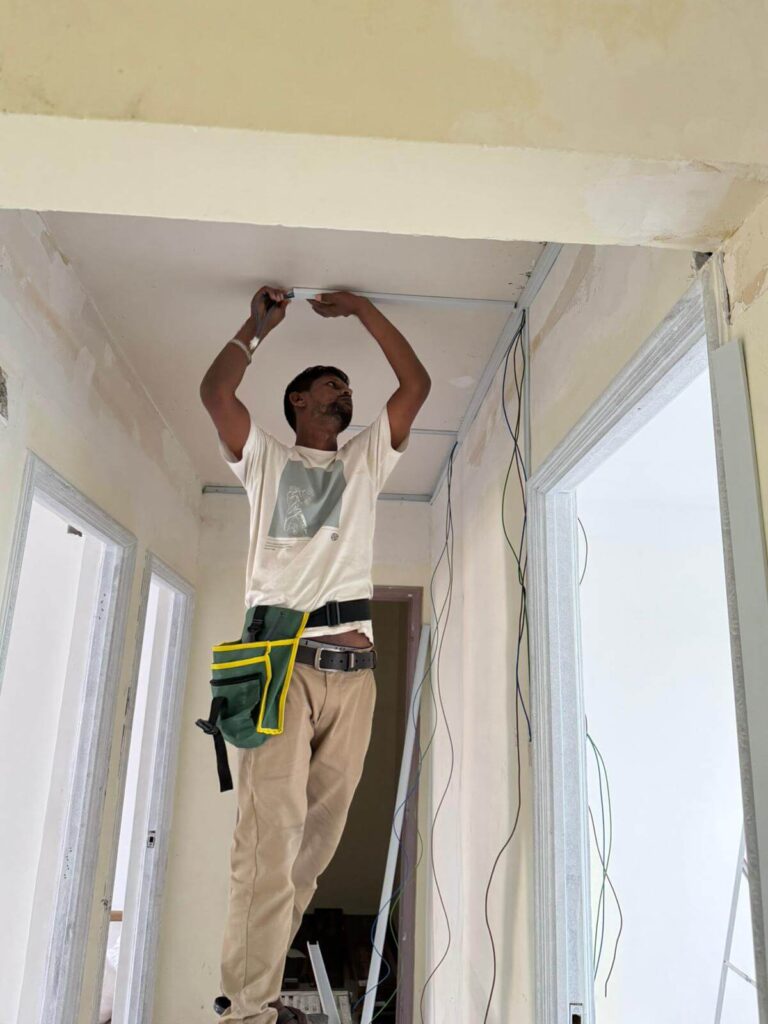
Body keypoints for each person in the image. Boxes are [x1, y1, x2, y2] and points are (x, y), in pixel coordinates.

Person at [199, 285, 431, 1024]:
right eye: (330, 386)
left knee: (314, 848)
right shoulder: (265, 461)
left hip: (356, 680)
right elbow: (215, 393)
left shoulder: (365, 463)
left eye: (347, 389)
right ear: (298, 402)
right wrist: (257, 327)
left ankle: (259, 986)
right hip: (284, 670)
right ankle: (247, 1012)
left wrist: (364, 311)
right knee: (268, 842)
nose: (343, 394)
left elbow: (415, 385)